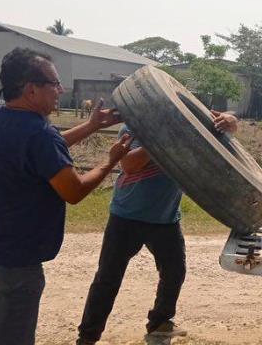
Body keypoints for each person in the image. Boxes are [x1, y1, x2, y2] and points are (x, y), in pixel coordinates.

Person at [0, 47, 132, 345]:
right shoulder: (39, 134)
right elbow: (75, 190)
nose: (60, 90)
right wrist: (110, 161)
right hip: (15, 263)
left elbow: (42, 151)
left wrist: (92, 126)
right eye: (55, 83)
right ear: (31, 89)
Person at [76, 110, 238, 344]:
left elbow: (221, 132)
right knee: (107, 279)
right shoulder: (132, 130)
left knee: (174, 273)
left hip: (165, 219)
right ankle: (87, 337)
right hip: (126, 218)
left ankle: (160, 324)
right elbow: (130, 164)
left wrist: (231, 121)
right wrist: (168, 138)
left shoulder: (188, 133)